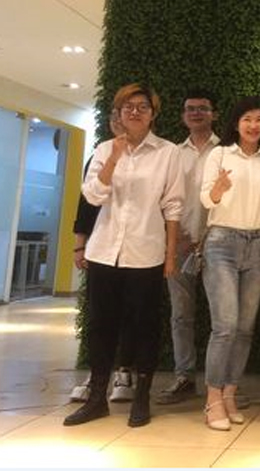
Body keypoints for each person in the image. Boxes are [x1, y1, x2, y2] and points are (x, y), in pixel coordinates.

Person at [65, 83, 183, 428]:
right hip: (104, 250)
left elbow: (173, 206)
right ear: (118, 113)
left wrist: (171, 255)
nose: (135, 111)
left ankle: (141, 397)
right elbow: (93, 195)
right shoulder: (104, 149)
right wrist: (115, 156)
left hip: (146, 252)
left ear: (153, 113)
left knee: (145, 325)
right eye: (128, 106)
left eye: (142, 106)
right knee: (101, 325)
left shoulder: (167, 152)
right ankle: (97, 398)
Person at [199, 96, 260, 431]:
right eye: (247, 119)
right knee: (225, 325)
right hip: (222, 243)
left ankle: (230, 393)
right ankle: (213, 398)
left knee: (245, 327)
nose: (253, 125)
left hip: (259, 244)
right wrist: (218, 189)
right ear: (236, 123)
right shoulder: (219, 154)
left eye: (259, 119)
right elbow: (206, 199)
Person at [156, 91, 226, 406]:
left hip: (219, 244)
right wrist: (174, 236)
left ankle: (220, 383)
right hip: (180, 243)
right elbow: (162, 196)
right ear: (183, 115)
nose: (196, 113)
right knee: (181, 315)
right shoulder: (173, 153)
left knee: (222, 319)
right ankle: (184, 377)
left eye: (203, 108)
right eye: (190, 109)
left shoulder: (225, 151)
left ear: (214, 114)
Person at [70, 110, 137, 405]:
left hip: (138, 248)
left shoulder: (153, 156)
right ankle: (97, 376)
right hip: (102, 246)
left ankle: (125, 372)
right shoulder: (100, 154)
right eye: (115, 119)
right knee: (100, 316)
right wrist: (79, 244)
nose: (121, 123)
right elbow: (86, 204)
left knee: (132, 314)